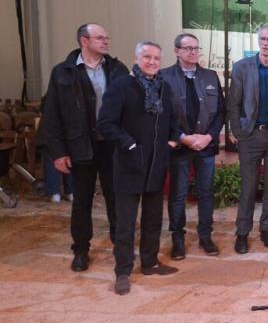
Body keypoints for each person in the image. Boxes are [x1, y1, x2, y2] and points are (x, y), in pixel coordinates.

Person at [97, 41, 182, 295]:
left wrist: (171, 142)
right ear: (136, 57)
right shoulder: (122, 86)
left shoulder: (164, 88)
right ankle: (122, 271)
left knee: (153, 219)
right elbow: (106, 123)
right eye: (147, 56)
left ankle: (150, 262)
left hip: (156, 164)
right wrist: (130, 145)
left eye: (156, 57)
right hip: (129, 165)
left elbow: (173, 121)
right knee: (125, 223)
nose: (152, 62)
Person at [42, 23, 128, 272]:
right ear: (84, 41)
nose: (105, 41)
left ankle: (120, 246)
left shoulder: (116, 69)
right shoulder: (63, 72)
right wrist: (58, 152)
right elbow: (52, 115)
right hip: (81, 146)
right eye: (99, 38)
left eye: (106, 37)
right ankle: (80, 250)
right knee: (82, 201)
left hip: (111, 146)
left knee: (116, 199)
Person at [227, 23, 268, 254]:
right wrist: (237, 130)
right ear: (258, 41)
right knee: (248, 187)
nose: (266, 43)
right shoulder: (242, 67)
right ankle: (242, 232)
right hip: (251, 136)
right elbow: (233, 103)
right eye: (263, 39)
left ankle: (266, 228)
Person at [161, 33, 224, 260]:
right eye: (188, 48)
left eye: (196, 48)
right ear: (177, 50)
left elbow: (220, 112)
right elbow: (162, 115)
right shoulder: (164, 77)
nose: (193, 52)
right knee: (178, 195)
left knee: (206, 193)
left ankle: (205, 236)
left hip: (205, 147)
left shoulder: (210, 75)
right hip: (180, 147)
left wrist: (209, 137)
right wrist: (183, 137)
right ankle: (177, 239)